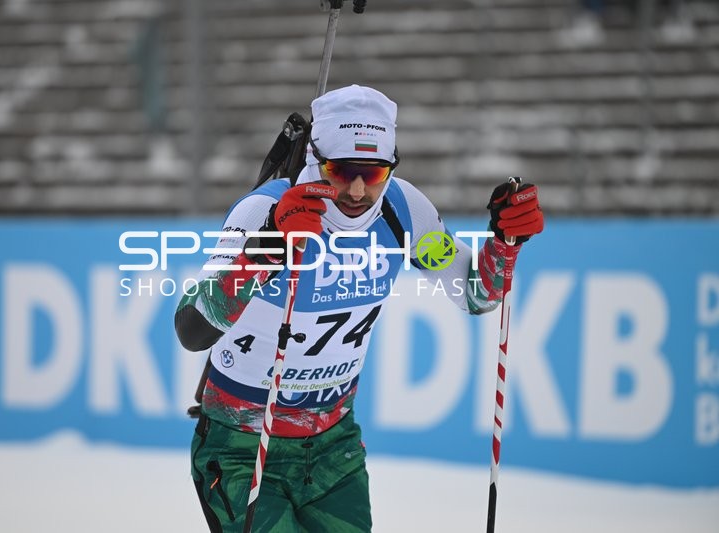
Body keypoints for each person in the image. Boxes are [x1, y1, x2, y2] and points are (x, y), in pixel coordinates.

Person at [175, 84, 544, 532]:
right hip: (245, 445)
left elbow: (475, 293)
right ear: (315, 159)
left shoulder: (402, 211)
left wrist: (505, 244)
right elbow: (192, 329)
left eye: (373, 173)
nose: (355, 189)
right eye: (340, 170)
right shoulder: (265, 209)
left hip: (334, 449)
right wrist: (267, 248)